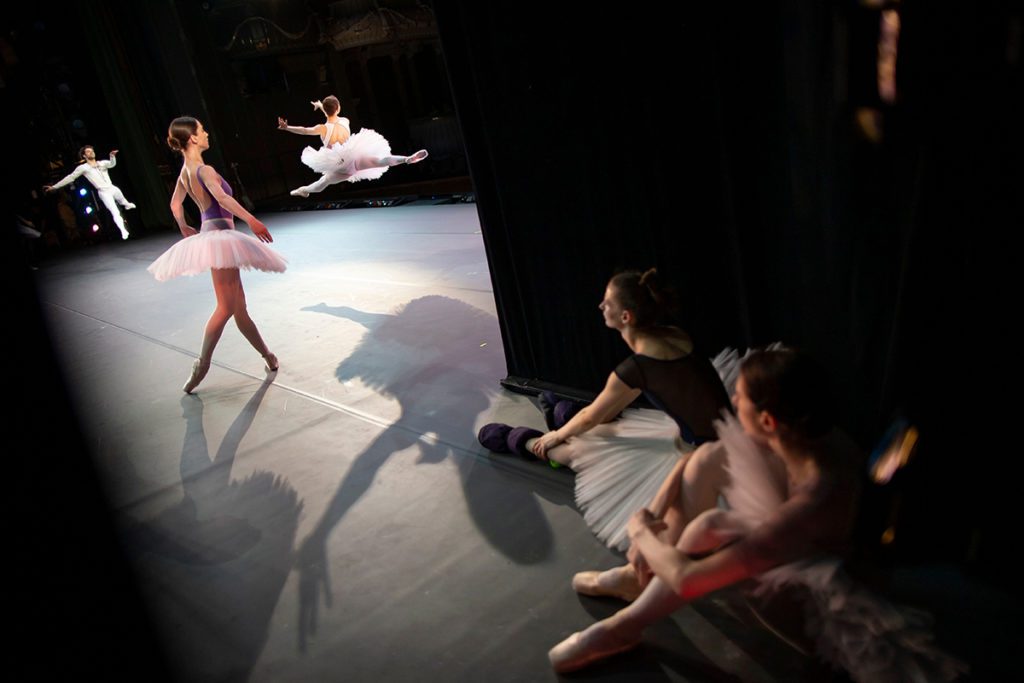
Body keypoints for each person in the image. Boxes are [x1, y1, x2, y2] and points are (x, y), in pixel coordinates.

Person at [548, 349, 964, 682]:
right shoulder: (803, 434)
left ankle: (622, 627)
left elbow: (688, 578)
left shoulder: (819, 495)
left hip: (827, 607)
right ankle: (630, 601)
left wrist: (642, 532)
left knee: (707, 540)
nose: (732, 402)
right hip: (807, 549)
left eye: (740, 398)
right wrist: (654, 511)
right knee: (710, 510)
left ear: (767, 420)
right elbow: (702, 456)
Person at [478, 268, 734, 550]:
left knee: (582, 451)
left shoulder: (637, 368)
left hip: (699, 455)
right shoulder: (674, 335)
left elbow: (593, 416)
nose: (601, 306)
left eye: (607, 302)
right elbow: (610, 409)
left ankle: (527, 442)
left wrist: (557, 436)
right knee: (608, 429)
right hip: (718, 434)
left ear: (626, 317)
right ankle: (564, 417)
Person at [148, 117, 286, 393]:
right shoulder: (204, 169)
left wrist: (183, 225)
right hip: (221, 236)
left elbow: (175, 204)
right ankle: (201, 366)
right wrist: (251, 220)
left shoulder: (185, 172)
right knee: (226, 307)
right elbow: (222, 198)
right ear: (193, 138)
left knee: (239, 309)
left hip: (212, 233)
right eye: (202, 130)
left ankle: (268, 356)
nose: (207, 133)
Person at [277, 95, 428, 197]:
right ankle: (406, 159)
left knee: (323, 183)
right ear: (338, 108)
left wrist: (287, 127)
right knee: (381, 160)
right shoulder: (345, 120)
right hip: (354, 159)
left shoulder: (322, 128)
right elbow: (331, 114)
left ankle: (304, 190)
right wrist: (322, 106)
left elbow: (304, 130)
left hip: (338, 166)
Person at [44, 145, 136, 240]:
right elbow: (70, 177)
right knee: (115, 212)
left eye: (92, 151)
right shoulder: (84, 168)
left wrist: (112, 156)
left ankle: (126, 204)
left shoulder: (102, 163)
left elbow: (112, 164)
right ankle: (123, 231)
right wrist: (54, 186)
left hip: (111, 187)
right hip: (103, 192)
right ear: (84, 156)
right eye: (88, 151)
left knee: (121, 197)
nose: (91, 152)